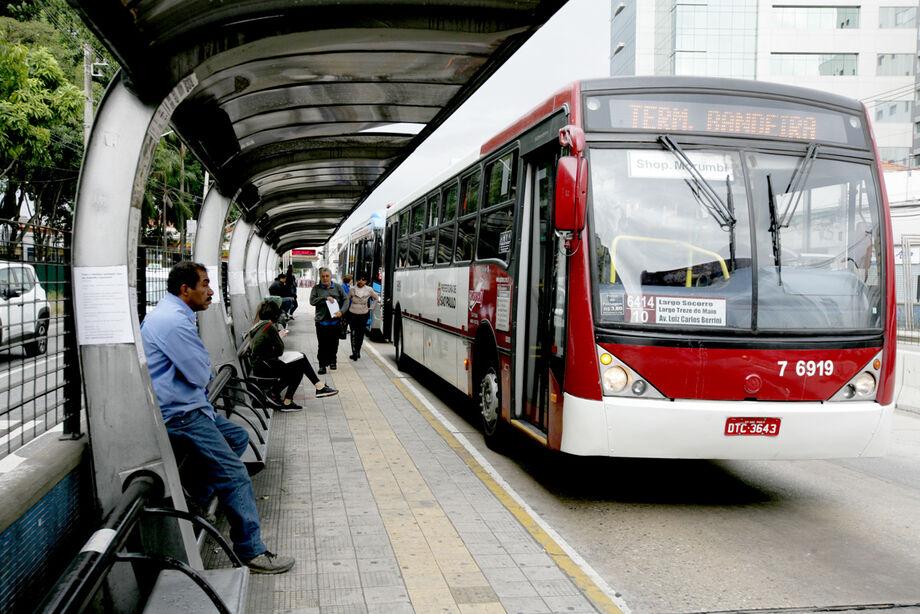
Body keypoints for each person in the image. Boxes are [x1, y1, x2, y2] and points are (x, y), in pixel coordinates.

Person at [140, 261, 295, 574]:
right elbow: (201, 374)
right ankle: (251, 551)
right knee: (234, 474)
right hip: (181, 415)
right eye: (205, 284)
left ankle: (196, 499)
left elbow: (202, 369)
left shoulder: (172, 314)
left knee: (237, 436)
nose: (211, 291)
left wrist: (203, 365)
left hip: (190, 408)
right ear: (185, 289)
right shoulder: (173, 322)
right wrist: (203, 365)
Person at [249, 299, 338, 408]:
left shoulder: (260, 325)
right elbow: (279, 350)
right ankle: (287, 396)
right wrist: (279, 336)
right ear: (275, 314)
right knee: (299, 365)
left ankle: (312, 389)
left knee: (300, 359)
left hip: (261, 364)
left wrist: (276, 338)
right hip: (265, 367)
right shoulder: (269, 327)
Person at [310, 267, 346, 374]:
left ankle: (333, 361)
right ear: (320, 277)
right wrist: (325, 298)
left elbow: (346, 299)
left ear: (330, 276)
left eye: (327, 276)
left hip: (335, 322)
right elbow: (312, 301)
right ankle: (322, 365)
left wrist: (342, 311)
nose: (325, 278)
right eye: (323, 276)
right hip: (321, 322)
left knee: (334, 343)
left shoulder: (338, 287)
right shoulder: (316, 288)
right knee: (322, 345)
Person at [343, 275, 380, 360]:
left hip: (363, 314)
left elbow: (376, 298)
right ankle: (354, 353)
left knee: (360, 334)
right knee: (353, 333)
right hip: (352, 313)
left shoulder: (369, 289)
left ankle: (358, 351)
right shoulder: (352, 289)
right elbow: (347, 299)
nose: (360, 281)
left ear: (366, 281)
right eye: (359, 279)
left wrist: (371, 307)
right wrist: (345, 310)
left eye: (363, 280)